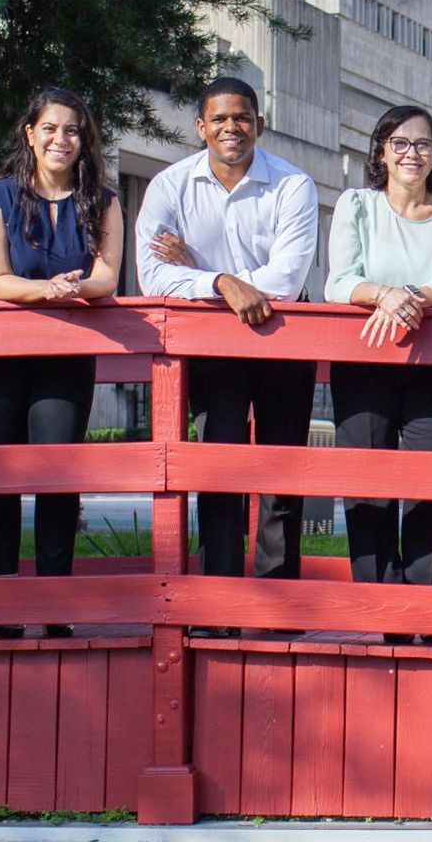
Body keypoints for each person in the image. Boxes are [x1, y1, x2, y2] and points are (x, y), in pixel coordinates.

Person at [135, 76, 319, 633]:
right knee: (219, 468)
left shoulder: (293, 185)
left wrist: (197, 270)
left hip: (284, 338)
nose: (231, 128)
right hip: (211, 346)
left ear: (259, 124)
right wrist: (217, 280)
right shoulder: (170, 187)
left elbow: (285, 278)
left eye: (242, 117)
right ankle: (218, 602)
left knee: (281, 469)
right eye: (219, 119)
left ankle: (276, 606)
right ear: (201, 127)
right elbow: (151, 274)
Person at [0, 87, 124, 639]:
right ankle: (4, 604)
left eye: (73, 130)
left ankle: (54, 602)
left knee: (58, 476)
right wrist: (45, 289)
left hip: (66, 354)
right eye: (51, 129)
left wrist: (76, 289)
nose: (62, 139)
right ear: (29, 134)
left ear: (85, 140)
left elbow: (108, 275)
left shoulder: (101, 202)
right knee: (1, 476)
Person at [325, 105, 432, 645]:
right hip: (363, 363)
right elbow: (340, 283)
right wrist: (385, 295)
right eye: (400, 142)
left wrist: (408, 299)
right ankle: (382, 613)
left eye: (423, 144)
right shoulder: (357, 206)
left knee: (428, 488)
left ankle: (428, 612)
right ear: (381, 151)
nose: (411, 153)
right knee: (367, 490)